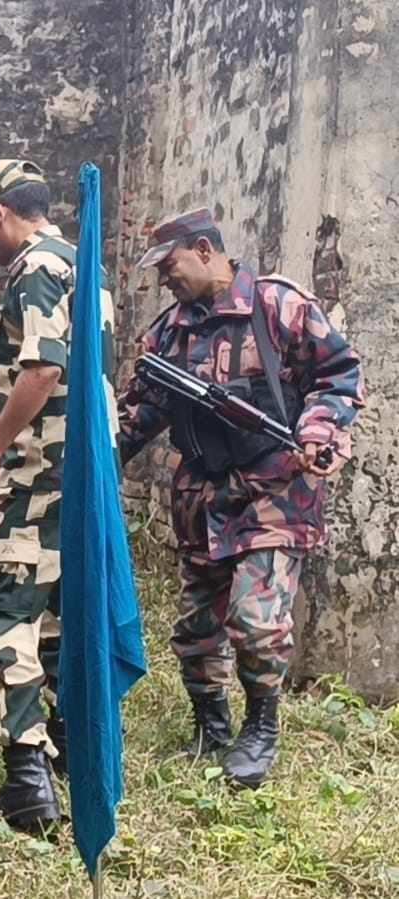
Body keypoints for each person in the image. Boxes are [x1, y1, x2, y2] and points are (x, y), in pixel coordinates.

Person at [118, 208, 363, 788]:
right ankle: (211, 725)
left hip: (274, 490)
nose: (164, 281)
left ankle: (261, 727)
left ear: (205, 250)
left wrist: (320, 432)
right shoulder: (167, 333)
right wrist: (95, 458)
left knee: (255, 620)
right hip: (202, 495)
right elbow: (141, 412)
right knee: (195, 629)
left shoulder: (279, 306)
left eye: (170, 265)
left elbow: (339, 375)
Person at [0, 159, 112, 832]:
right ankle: (63, 747)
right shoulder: (84, 264)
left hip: (39, 472)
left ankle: (25, 774)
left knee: (4, 612)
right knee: (51, 619)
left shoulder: (34, 268)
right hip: (81, 470)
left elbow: (44, 365)